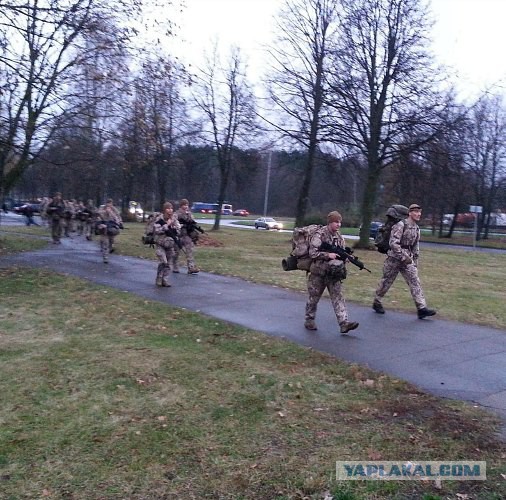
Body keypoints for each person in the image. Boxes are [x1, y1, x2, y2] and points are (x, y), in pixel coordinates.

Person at [372, 203, 436, 319]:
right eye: (416, 212)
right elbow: (393, 243)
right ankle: (377, 301)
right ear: (410, 213)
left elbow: (415, 246)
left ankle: (421, 308)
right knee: (387, 281)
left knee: (415, 281)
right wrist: (402, 256)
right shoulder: (400, 225)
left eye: (420, 212)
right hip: (394, 258)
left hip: (408, 259)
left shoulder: (416, 228)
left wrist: (415, 261)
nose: (418, 214)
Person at [304, 211, 359, 334]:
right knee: (314, 298)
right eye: (336, 222)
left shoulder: (339, 237)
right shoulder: (320, 235)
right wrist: (327, 255)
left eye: (340, 222)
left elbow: (341, 252)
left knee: (338, 297)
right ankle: (309, 319)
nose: (338, 224)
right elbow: (312, 253)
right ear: (330, 222)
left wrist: (346, 258)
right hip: (318, 272)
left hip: (333, 273)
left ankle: (344, 323)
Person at [153, 201, 181, 287]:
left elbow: (178, 229)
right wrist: (166, 226)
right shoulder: (159, 219)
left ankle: (165, 280)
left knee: (169, 263)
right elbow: (157, 230)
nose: (170, 210)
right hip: (160, 243)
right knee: (163, 262)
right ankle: (159, 278)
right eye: (168, 208)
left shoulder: (173, 219)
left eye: (171, 208)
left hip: (170, 244)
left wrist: (173, 228)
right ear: (165, 210)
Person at [173, 198, 200, 274]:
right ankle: (174, 265)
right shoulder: (177, 214)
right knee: (176, 252)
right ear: (181, 205)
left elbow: (193, 222)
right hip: (178, 235)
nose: (186, 206)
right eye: (184, 205)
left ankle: (191, 267)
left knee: (190, 251)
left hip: (186, 235)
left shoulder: (189, 214)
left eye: (187, 205)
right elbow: (173, 222)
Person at [96, 199, 123, 263]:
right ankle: (105, 257)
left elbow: (118, 218)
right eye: (108, 204)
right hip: (104, 230)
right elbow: (98, 218)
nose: (109, 205)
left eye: (110, 204)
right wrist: (101, 224)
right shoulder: (102, 210)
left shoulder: (114, 211)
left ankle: (110, 248)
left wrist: (119, 223)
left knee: (111, 241)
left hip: (111, 229)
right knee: (105, 243)